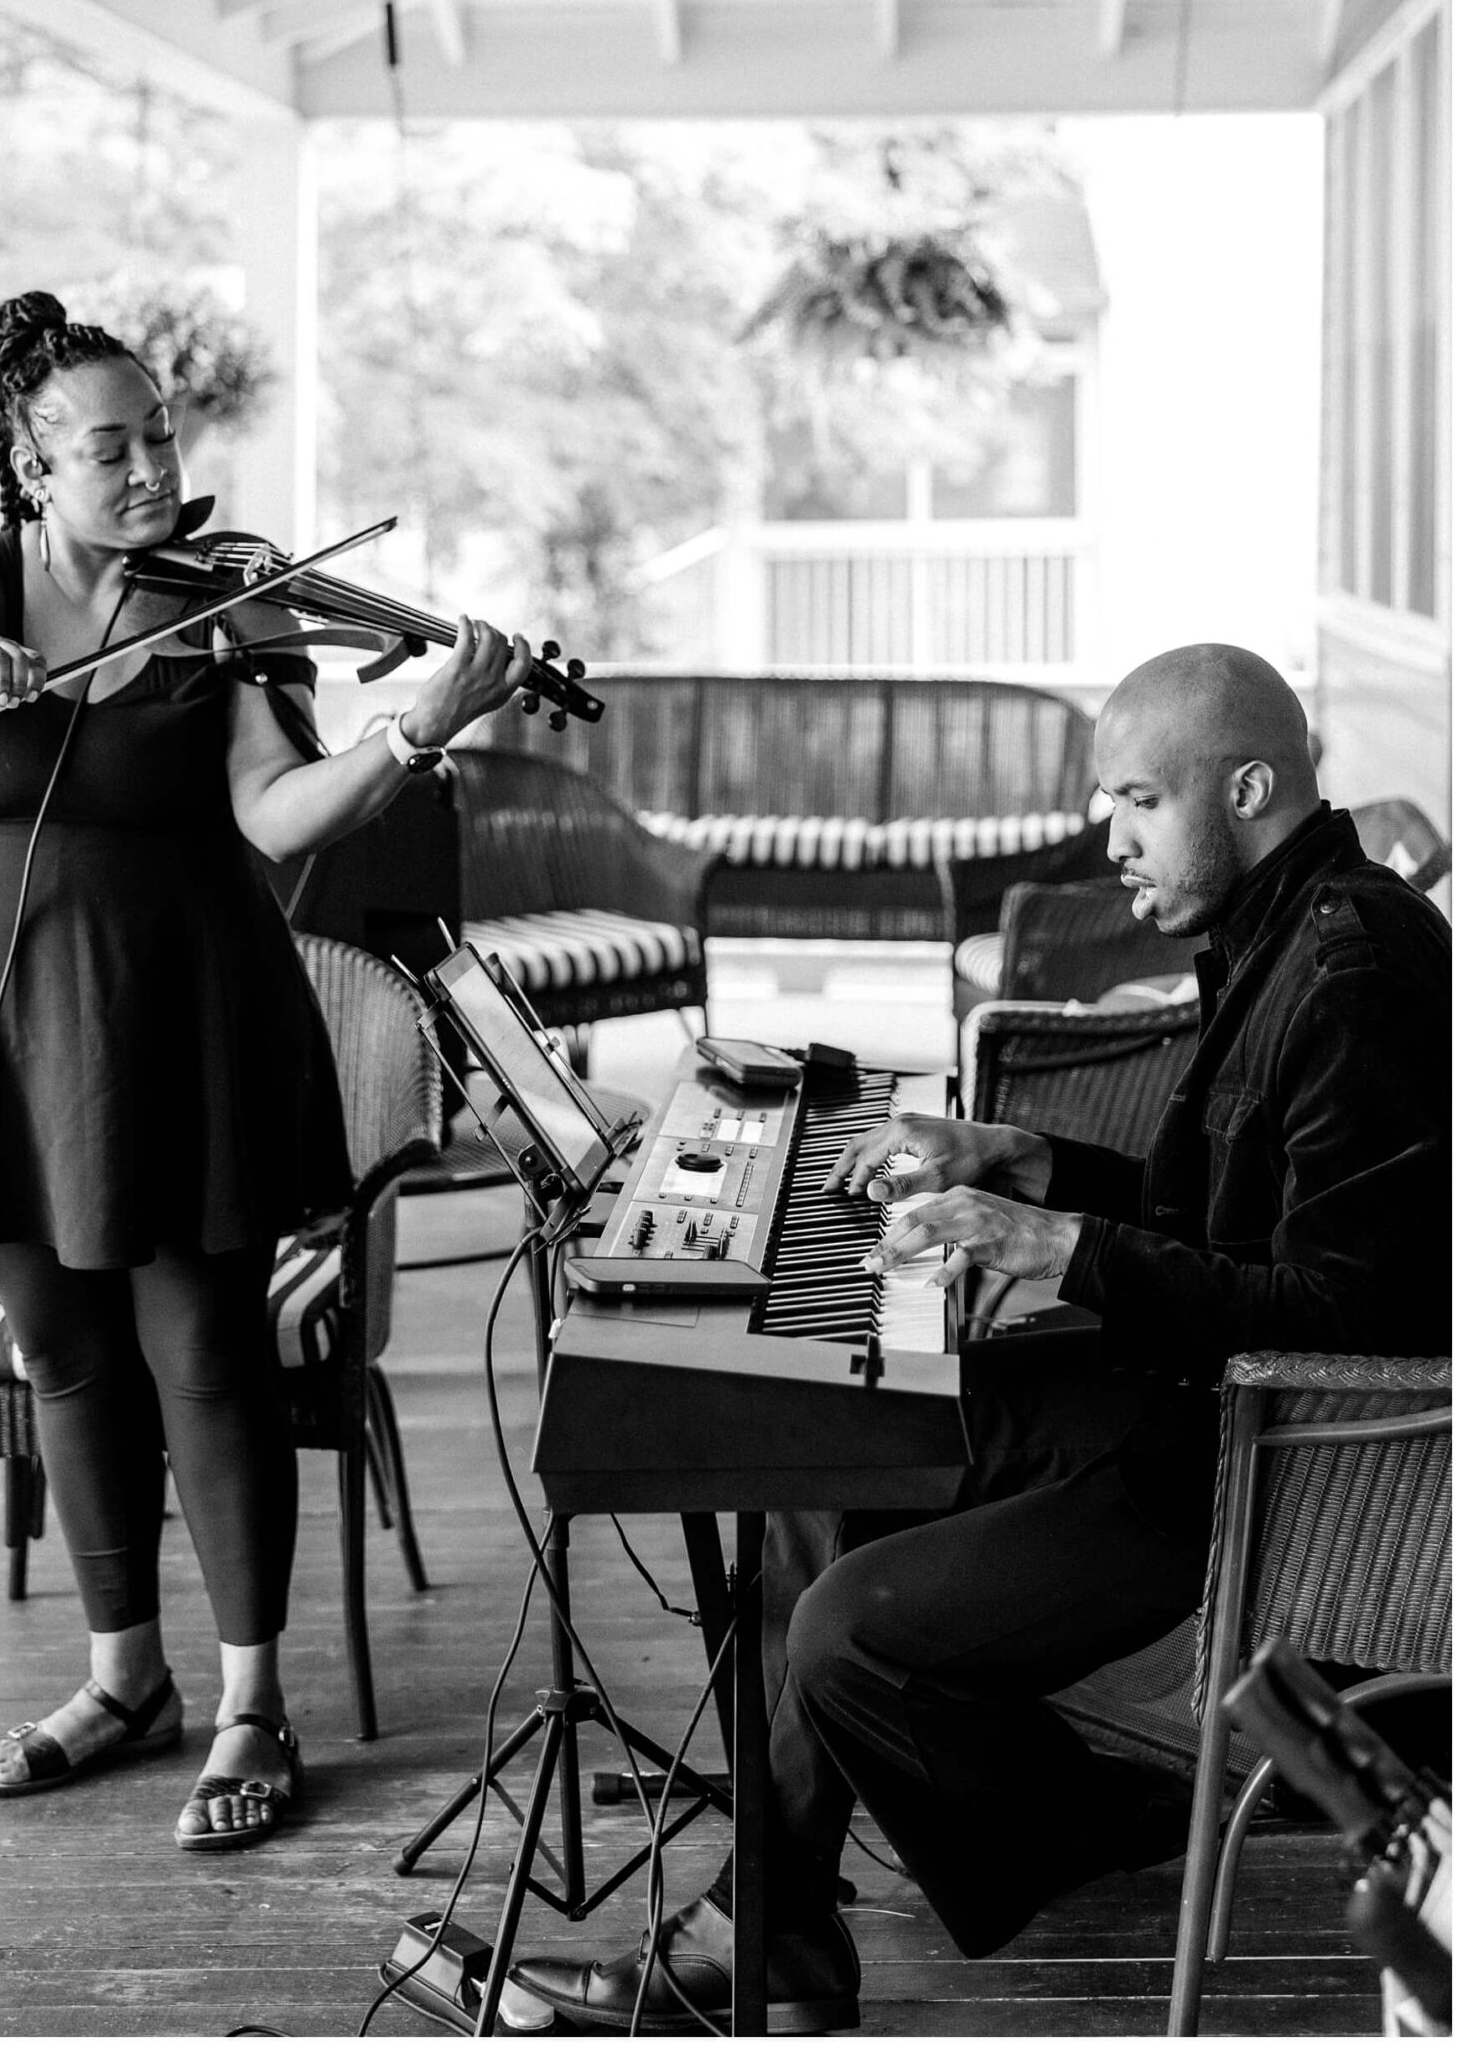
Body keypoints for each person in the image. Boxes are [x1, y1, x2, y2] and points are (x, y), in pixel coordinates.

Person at [507, 643, 1450, 2030]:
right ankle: (771, 1930)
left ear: (1246, 788)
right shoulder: (1274, 928)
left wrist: (1043, 1245)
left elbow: (1342, 1320)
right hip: (1180, 1387)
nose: (1109, 839)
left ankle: (1108, 1817)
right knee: (827, 1457)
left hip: (1272, 1458)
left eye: (1135, 799)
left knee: (845, 1638)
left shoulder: (1352, 967)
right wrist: (1020, 1160)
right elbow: (1225, 1224)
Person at [0, 292, 530, 1851]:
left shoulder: (228, 602)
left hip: (186, 1016)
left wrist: (415, 731)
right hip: (2, 1020)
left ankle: (251, 1702)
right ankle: (119, 1677)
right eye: (108, 449)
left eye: (161, 438)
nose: (149, 473)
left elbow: (280, 816)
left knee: (207, 1356)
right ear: (31, 463)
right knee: (67, 1351)